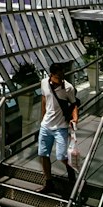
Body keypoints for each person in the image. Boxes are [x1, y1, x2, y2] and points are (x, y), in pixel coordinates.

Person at [37, 61, 78, 195]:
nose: (61, 79)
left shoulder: (68, 88)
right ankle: (49, 182)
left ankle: (72, 172)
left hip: (61, 126)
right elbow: (44, 99)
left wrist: (75, 117)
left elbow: (74, 104)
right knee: (43, 154)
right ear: (51, 75)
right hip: (46, 126)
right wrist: (43, 118)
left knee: (61, 156)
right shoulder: (44, 83)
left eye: (62, 76)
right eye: (58, 77)